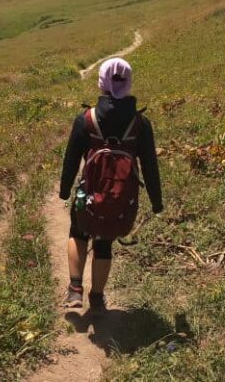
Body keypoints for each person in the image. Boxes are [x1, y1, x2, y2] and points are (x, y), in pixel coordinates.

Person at [58, 56, 163, 313]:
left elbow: (71, 160)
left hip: (88, 194)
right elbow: (150, 165)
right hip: (119, 198)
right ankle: (96, 297)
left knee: (78, 232)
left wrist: (63, 191)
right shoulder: (141, 124)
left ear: (102, 81)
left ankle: (74, 288)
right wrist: (157, 201)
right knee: (105, 242)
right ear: (128, 83)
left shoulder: (87, 119)